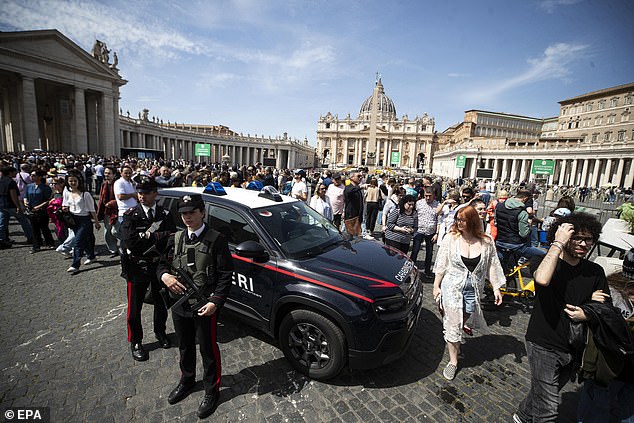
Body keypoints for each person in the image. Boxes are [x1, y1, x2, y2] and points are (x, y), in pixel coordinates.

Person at [514, 212, 608, 423]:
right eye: (577, 238)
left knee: (545, 391)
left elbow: (604, 307)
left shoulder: (595, 271)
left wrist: (588, 311)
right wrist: (557, 243)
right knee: (547, 410)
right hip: (543, 342)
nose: (583, 244)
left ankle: (522, 415)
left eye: (589, 239)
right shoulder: (543, 260)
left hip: (574, 346)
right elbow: (542, 279)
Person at [157, 194, 233, 418]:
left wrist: (215, 302)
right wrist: (165, 277)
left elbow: (225, 275)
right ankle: (187, 380)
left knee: (208, 349)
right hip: (180, 305)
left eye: (192, 212)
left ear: (202, 212)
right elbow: (161, 263)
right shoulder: (177, 237)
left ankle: (212, 390)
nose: (187, 217)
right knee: (185, 345)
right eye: (183, 213)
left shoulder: (217, 239)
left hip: (204, 305)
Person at [433, 206, 505, 381]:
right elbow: (441, 263)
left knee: (463, 318)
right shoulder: (451, 238)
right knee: (453, 324)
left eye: (462, 219)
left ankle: (456, 337)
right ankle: (453, 361)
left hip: (473, 289)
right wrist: (436, 286)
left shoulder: (486, 242)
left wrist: (496, 288)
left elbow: (492, 266)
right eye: (457, 219)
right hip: (452, 286)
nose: (459, 222)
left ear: (472, 221)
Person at [121, 177, 176, 361]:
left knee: (161, 303)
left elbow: (171, 239)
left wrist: (148, 237)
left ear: (155, 193)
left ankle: (160, 332)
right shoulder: (131, 214)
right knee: (134, 308)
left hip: (159, 266)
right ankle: (136, 341)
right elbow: (131, 242)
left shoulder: (165, 214)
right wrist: (157, 237)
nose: (141, 196)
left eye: (145, 192)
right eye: (139, 192)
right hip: (137, 266)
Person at [576, 267, 634, 423]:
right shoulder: (608, 291)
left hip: (624, 370)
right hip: (606, 367)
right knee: (595, 410)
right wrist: (590, 302)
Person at [62, 170, 100, 273]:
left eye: (75, 181)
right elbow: (64, 204)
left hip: (84, 220)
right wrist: (65, 209)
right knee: (86, 240)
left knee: (78, 242)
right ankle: (91, 256)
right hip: (73, 220)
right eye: (70, 181)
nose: (73, 183)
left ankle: (75, 264)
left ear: (79, 181)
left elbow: (92, 209)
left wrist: (96, 222)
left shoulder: (85, 194)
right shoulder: (67, 193)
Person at [495, 189, 545, 264]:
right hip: (515, 244)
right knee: (543, 255)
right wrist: (528, 225)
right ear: (525, 199)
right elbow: (523, 233)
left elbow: (496, 223)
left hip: (500, 241)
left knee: (504, 264)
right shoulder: (522, 212)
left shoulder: (499, 206)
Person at [24, 169, 55, 253]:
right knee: (34, 228)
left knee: (44, 227)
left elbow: (49, 199)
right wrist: (25, 201)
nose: (32, 177)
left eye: (34, 175)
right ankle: (36, 245)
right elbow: (25, 195)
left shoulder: (45, 187)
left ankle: (50, 242)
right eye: (31, 175)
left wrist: (39, 206)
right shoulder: (29, 186)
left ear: (40, 177)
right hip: (32, 210)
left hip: (42, 211)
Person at [411, 187, 439, 277]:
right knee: (415, 251)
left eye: (430, 196)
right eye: (426, 196)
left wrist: (437, 233)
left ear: (433, 196)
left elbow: (440, 220)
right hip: (419, 230)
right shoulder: (418, 203)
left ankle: (427, 271)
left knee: (429, 252)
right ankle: (411, 269)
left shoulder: (438, 205)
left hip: (431, 232)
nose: (428, 198)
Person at [96, 166, 119, 256]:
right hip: (107, 211)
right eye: (105, 173)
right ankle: (113, 249)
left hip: (117, 210)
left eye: (109, 173)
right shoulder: (103, 184)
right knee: (107, 231)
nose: (107, 175)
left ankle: (125, 246)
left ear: (114, 174)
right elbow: (101, 199)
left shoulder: (117, 184)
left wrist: (113, 203)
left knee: (116, 231)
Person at [343, 171, 365, 236]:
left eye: (361, 176)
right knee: (351, 237)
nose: (360, 178)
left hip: (357, 217)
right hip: (351, 217)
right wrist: (360, 187)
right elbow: (349, 191)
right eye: (358, 176)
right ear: (352, 178)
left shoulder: (357, 189)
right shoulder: (348, 187)